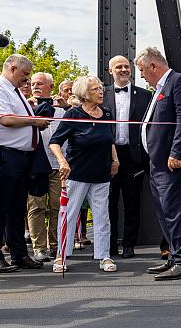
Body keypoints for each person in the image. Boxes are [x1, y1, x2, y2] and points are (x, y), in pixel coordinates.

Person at [137, 46, 181, 281]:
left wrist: (177, 152)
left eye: (143, 70)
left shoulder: (179, 82)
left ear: (154, 66)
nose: (142, 75)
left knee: (174, 211)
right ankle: (175, 257)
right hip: (158, 162)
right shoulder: (161, 87)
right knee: (165, 212)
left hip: (173, 162)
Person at [0, 54, 49, 273]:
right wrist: (34, 121)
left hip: (20, 157)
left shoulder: (14, 91)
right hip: (3, 155)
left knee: (17, 208)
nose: (26, 80)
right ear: (12, 68)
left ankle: (19, 254)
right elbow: (5, 119)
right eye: (24, 75)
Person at [49, 76, 119, 273]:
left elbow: (109, 139)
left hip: (101, 173)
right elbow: (54, 142)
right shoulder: (73, 114)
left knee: (102, 216)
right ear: (85, 94)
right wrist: (62, 162)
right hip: (77, 173)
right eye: (96, 89)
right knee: (69, 215)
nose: (101, 91)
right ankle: (61, 256)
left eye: (101, 88)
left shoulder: (106, 114)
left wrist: (115, 159)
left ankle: (104, 256)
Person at [102, 55, 152, 259]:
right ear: (110, 71)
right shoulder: (101, 95)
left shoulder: (145, 95)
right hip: (108, 156)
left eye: (126, 66)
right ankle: (110, 245)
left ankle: (129, 245)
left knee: (132, 203)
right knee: (107, 203)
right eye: (118, 67)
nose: (123, 70)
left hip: (134, 157)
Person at [26, 72, 66, 262]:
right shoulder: (25, 107)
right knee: (36, 207)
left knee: (58, 207)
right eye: (33, 83)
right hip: (35, 166)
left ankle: (56, 244)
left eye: (40, 83)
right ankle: (39, 248)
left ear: (51, 86)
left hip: (58, 166)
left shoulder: (62, 111)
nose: (35, 86)